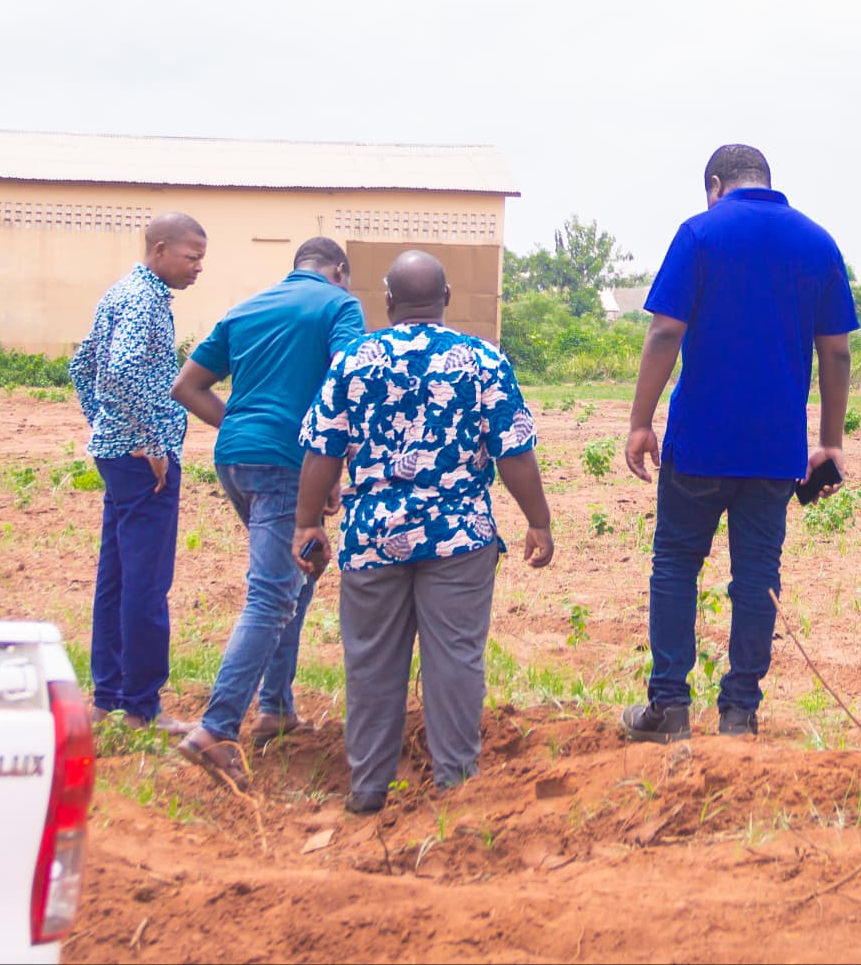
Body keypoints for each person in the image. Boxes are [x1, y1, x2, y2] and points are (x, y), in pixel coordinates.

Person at [292, 250, 553, 812]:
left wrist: (307, 521)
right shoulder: (482, 360)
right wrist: (538, 520)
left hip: (371, 538)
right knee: (456, 658)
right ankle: (456, 785)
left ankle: (367, 789)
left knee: (370, 662)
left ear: (387, 301)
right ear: (447, 298)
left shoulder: (352, 361)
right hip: (458, 537)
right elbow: (514, 451)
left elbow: (321, 448)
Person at [618, 144, 857, 744]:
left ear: (715, 185)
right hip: (775, 450)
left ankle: (670, 707)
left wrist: (640, 421)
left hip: (700, 441)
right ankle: (740, 713)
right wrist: (829, 441)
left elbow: (665, 331)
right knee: (757, 574)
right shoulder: (818, 243)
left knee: (676, 564)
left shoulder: (699, 233)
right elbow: (836, 351)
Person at [170, 237, 367, 788]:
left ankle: (276, 706)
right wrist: (335, 465)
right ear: (339, 270)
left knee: (298, 574)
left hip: (235, 458)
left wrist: (244, 424)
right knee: (272, 594)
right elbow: (349, 384)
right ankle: (216, 730)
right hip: (288, 462)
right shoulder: (340, 306)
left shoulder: (246, 308)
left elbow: (187, 386)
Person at [71, 212, 208, 732]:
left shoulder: (122, 292)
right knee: (146, 582)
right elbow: (119, 370)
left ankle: (108, 695)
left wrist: (105, 424)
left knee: (117, 577)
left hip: (118, 453)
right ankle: (141, 705)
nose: (198, 267)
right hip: (143, 461)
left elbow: (82, 366)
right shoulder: (143, 300)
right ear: (160, 249)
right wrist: (149, 440)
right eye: (192, 257)